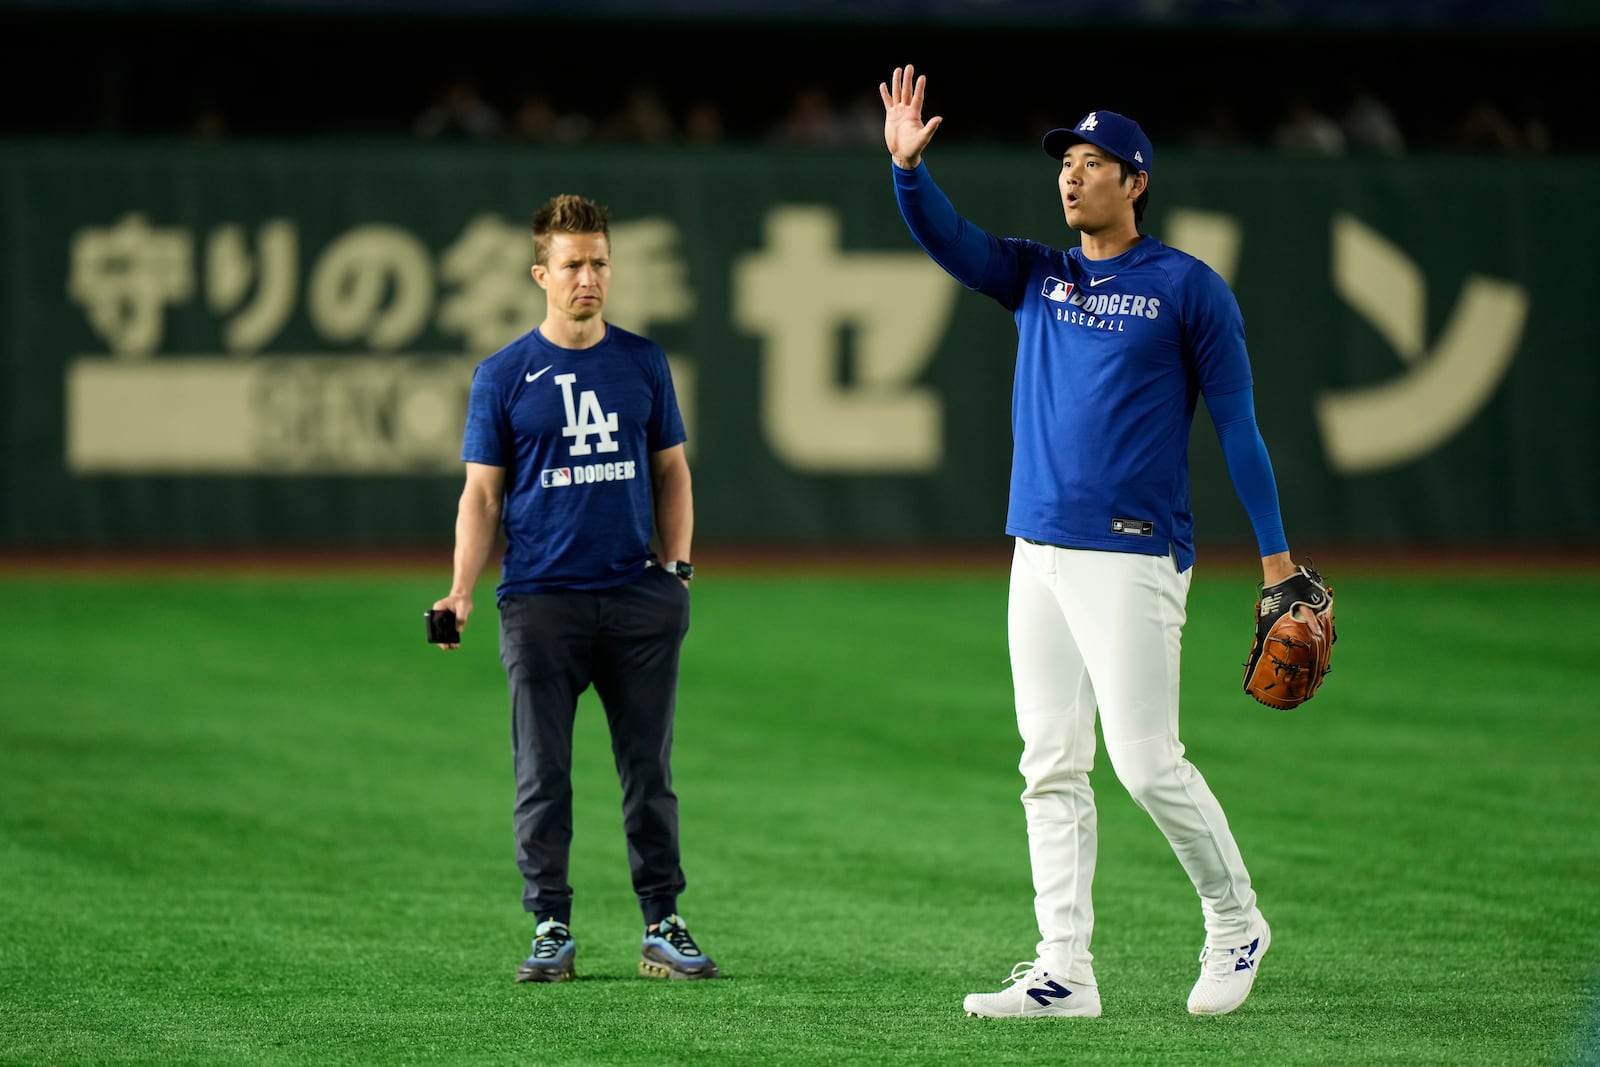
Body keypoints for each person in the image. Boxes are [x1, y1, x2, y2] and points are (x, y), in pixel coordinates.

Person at [880, 65, 1297, 1019]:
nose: (1073, 175)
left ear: (1136, 179)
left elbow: (1238, 428)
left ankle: (1236, 920)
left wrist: (1276, 556)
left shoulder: (1188, 289)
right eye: (1066, 160)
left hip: (1135, 552)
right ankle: (1063, 968)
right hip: (1040, 550)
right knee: (1050, 760)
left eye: (1095, 160)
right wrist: (908, 170)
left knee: (1146, 761)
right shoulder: (1039, 272)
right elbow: (952, 240)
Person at [431, 192, 718, 984]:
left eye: (598, 263)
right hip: (540, 603)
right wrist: (460, 590)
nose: (587, 277)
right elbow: (481, 495)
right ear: (540, 274)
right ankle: (550, 924)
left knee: (648, 772)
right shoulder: (503, 375)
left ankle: (663, 920)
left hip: (635, 597)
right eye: (571, 265)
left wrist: (679, 569)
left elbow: (672, 471)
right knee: (542, 775)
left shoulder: (642, 361)